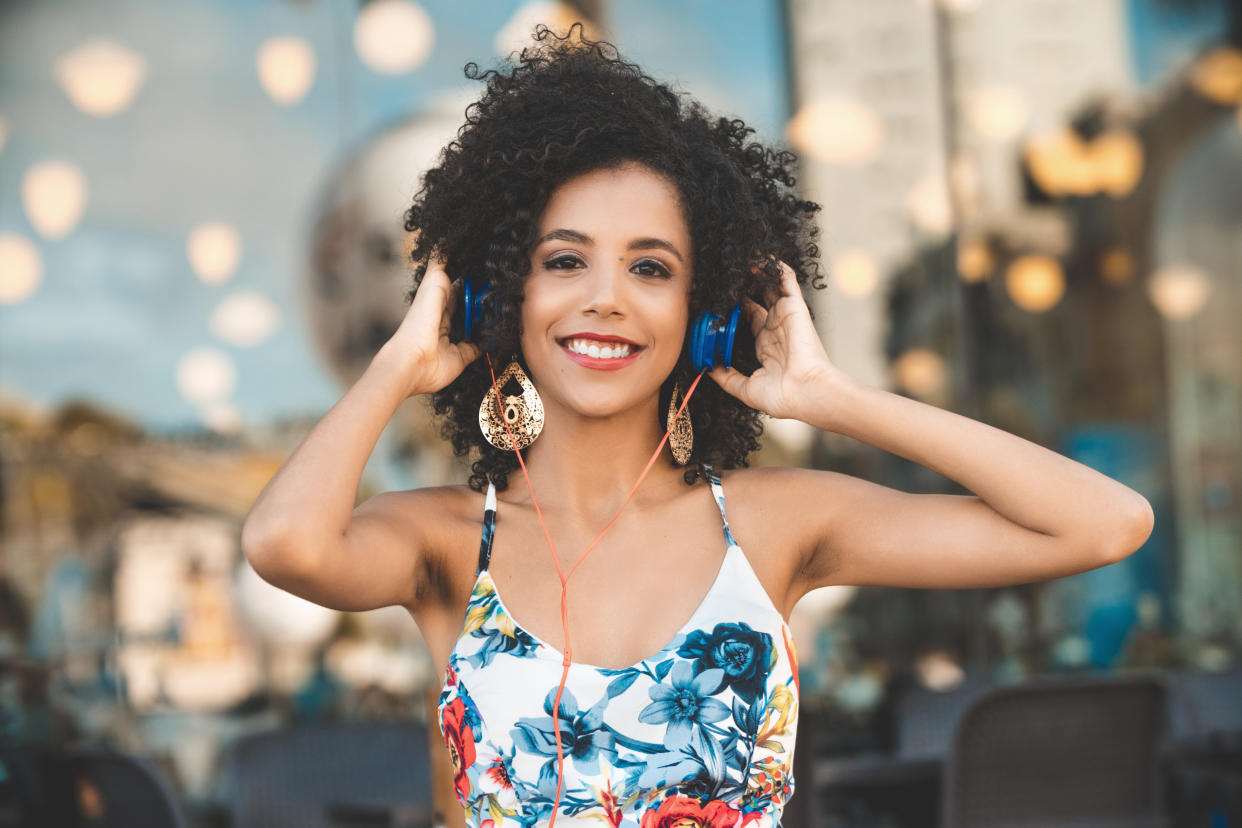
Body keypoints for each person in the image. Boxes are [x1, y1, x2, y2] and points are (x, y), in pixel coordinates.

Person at [241, 24, 1154, 828]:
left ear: (704, 311)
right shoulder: (442, 541)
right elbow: (285, 545)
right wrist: (400, 364)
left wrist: (833, 396)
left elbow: (1104, 522)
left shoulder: (773, 525)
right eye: (563, 261)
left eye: (650, 268)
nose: (605, 299)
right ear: (498, 298)